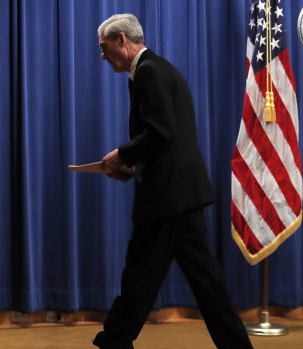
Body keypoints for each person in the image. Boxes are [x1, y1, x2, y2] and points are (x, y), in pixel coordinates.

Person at [93, 14, 253, 349]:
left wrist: (122, 155)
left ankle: (113, 341)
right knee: (194, 283)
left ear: (122, 40)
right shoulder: (154, 70)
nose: (103, 57)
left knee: (142, 278)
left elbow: (161, 133)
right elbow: (169, 139)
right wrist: (133, 169)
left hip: (168, 200)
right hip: (177, 194)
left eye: (105, 48)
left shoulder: (149, 72)